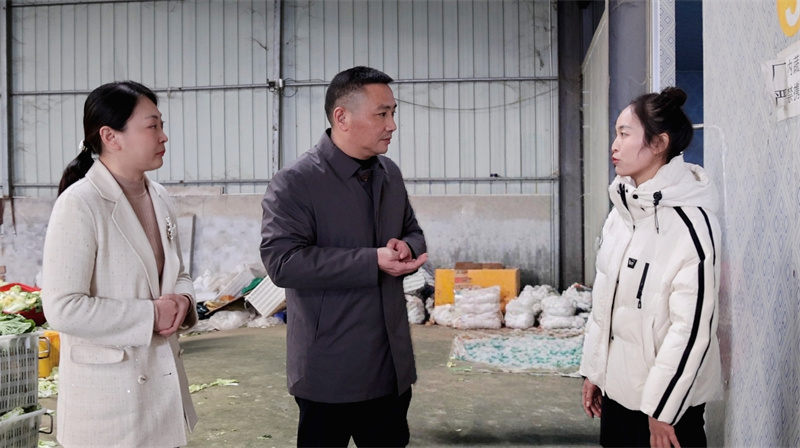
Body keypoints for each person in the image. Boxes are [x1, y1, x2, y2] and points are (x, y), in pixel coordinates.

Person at [260, 66, 428, 447]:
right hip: (329, 371)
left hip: (390, 366)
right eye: (381, 114)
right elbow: (282, 262)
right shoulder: (296, 183)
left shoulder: (389, 175)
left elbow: (413, 231)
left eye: (393, 113)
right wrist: (371, 261)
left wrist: (408, 246)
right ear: (342, 117)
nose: (392, 125)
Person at [41, 81, 198, 447]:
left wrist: (183, 300)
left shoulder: (160, 197)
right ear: (110, 137)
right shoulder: (80, 204)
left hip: (162, 388)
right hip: (109, 405)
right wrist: (150, 315)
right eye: (152, 126)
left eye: (161, 125)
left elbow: (179, 273)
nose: (163, 136)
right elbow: (63, 307)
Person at [580, 87, 722, 448]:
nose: (614, 145)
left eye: (624, 134)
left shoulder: (691, 225)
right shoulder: (622, 214)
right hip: (617, 394)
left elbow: (692, 329)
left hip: (668, 410)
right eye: (616, 134)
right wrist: (595, 372)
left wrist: (662, 410)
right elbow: (605, 305)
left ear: (659, 143)